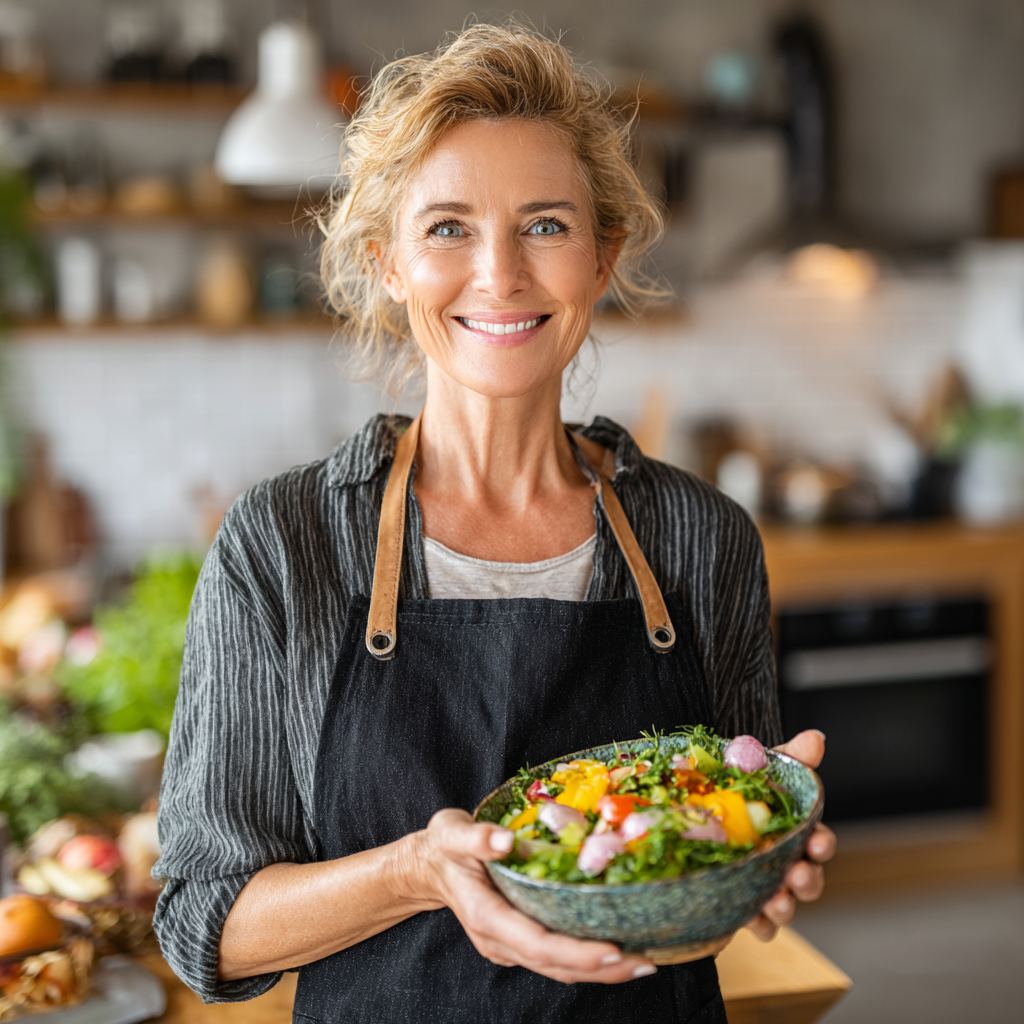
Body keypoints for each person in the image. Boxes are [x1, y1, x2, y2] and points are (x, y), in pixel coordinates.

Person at [153, 21, 836, 1024]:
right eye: (447, 228)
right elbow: (204, 926)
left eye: (546, 225)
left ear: (602, 259)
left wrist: (750, 872)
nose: (501, 273)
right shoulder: (285, 544)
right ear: (388, 262)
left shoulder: (700, 541)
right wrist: (419, 870)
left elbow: (716, 864)